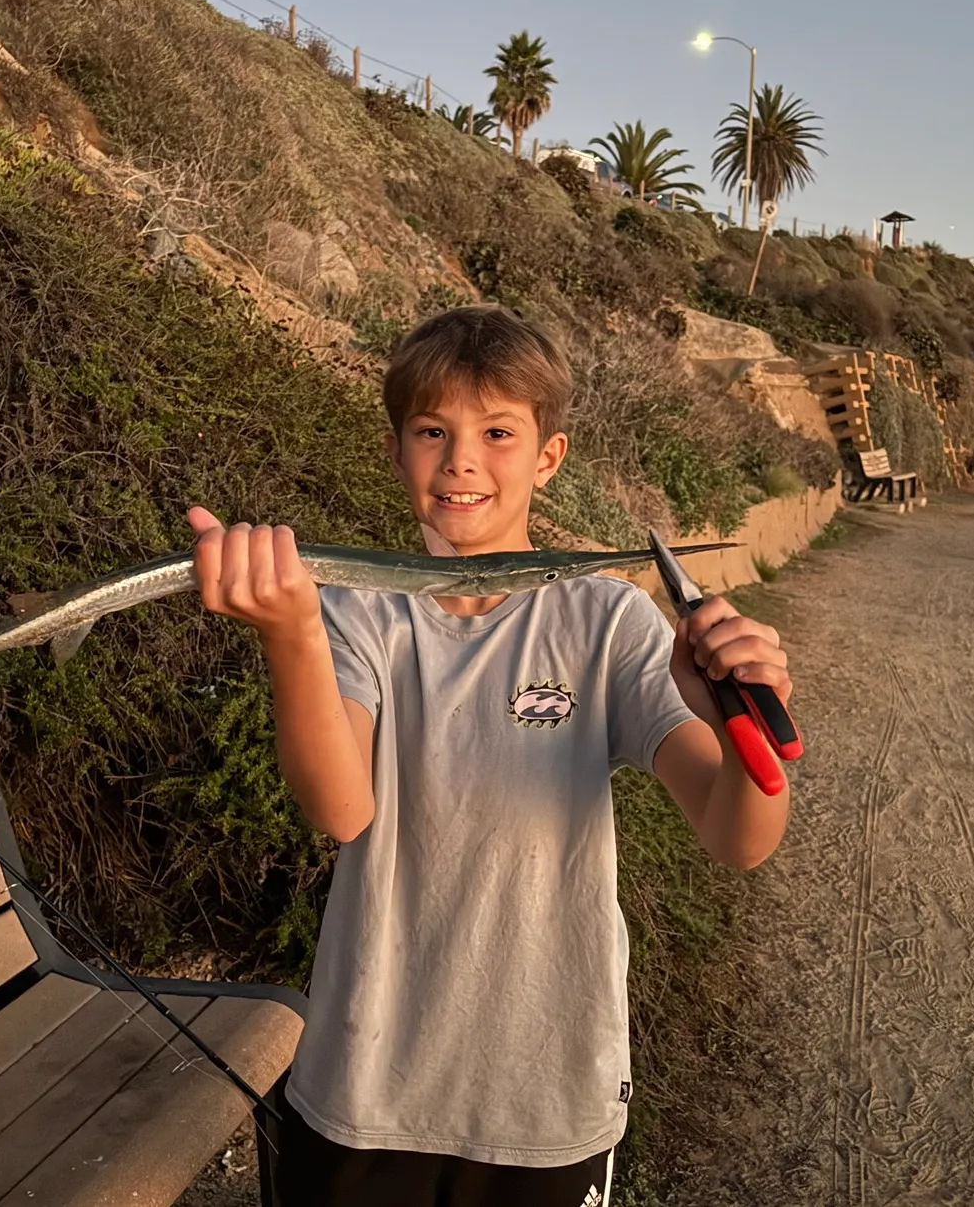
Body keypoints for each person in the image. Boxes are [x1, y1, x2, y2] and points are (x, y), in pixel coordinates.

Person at [186, 306, 794, 1206]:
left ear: (548, 457)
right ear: (397, 452)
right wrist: (291, 636)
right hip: (364, 1086)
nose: (462, 459)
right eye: (433, 431)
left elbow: (738, 836)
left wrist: (742, 720)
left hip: (546, 1104)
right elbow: (343, 810)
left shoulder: (608, 621)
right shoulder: (356, 614)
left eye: (499, 432)